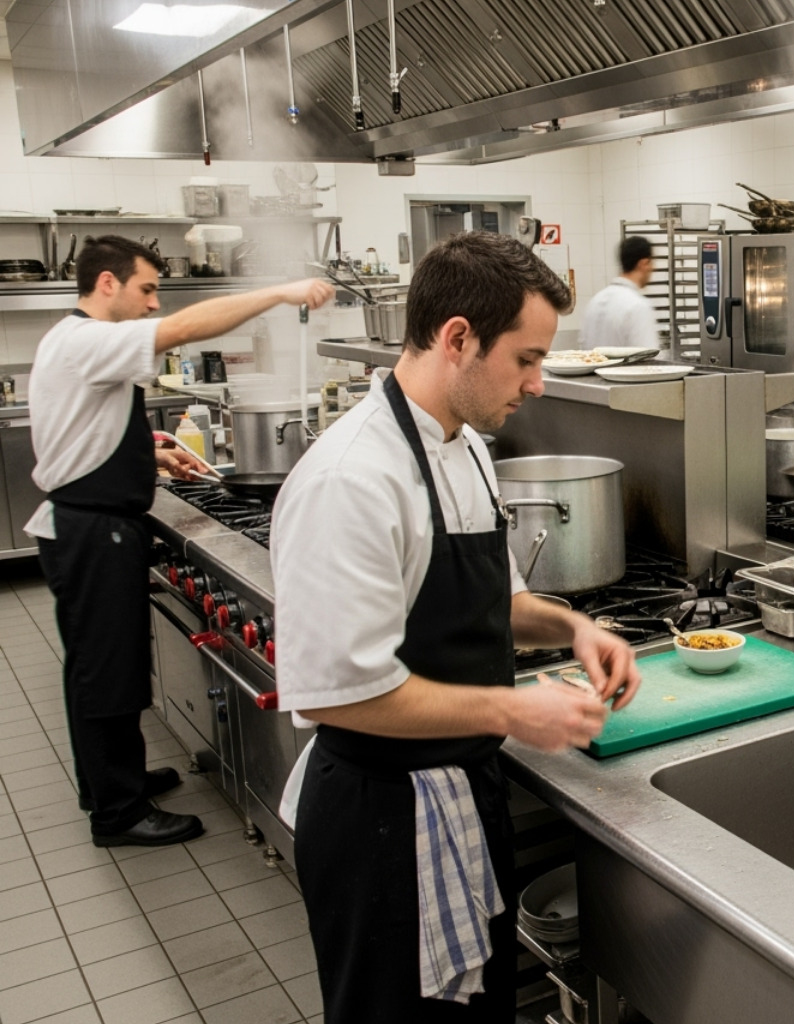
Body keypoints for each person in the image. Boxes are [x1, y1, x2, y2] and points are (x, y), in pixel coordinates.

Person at [272, 231, 641, 1023]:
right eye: (527, 359)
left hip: (458, 796)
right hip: (380, 821)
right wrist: (514, 710)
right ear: (458, 339)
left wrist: (574, 628)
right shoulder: (352, 481)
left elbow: (494, 602)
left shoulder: (467, 447)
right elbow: (343, 697)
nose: (539, 384)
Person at [25, 234, 333, 848]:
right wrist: (278, 291)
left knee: (96, 666)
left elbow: (90, 426)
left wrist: (153, 453)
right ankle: (118, 813)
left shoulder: (76, 342)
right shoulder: (87, 338)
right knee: (106, 672)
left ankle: (113, 782)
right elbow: (183, 330)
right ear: (106, 284)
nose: (151, 305)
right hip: (94, 532)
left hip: (88, 524)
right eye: (146, 290)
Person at [578, 235, 659, 351]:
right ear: (643, 264)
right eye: (651, 263)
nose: (653, 268)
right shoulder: (638, 307)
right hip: (625, 370)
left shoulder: (594, 301)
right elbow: (647, 359)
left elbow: (583, 351)